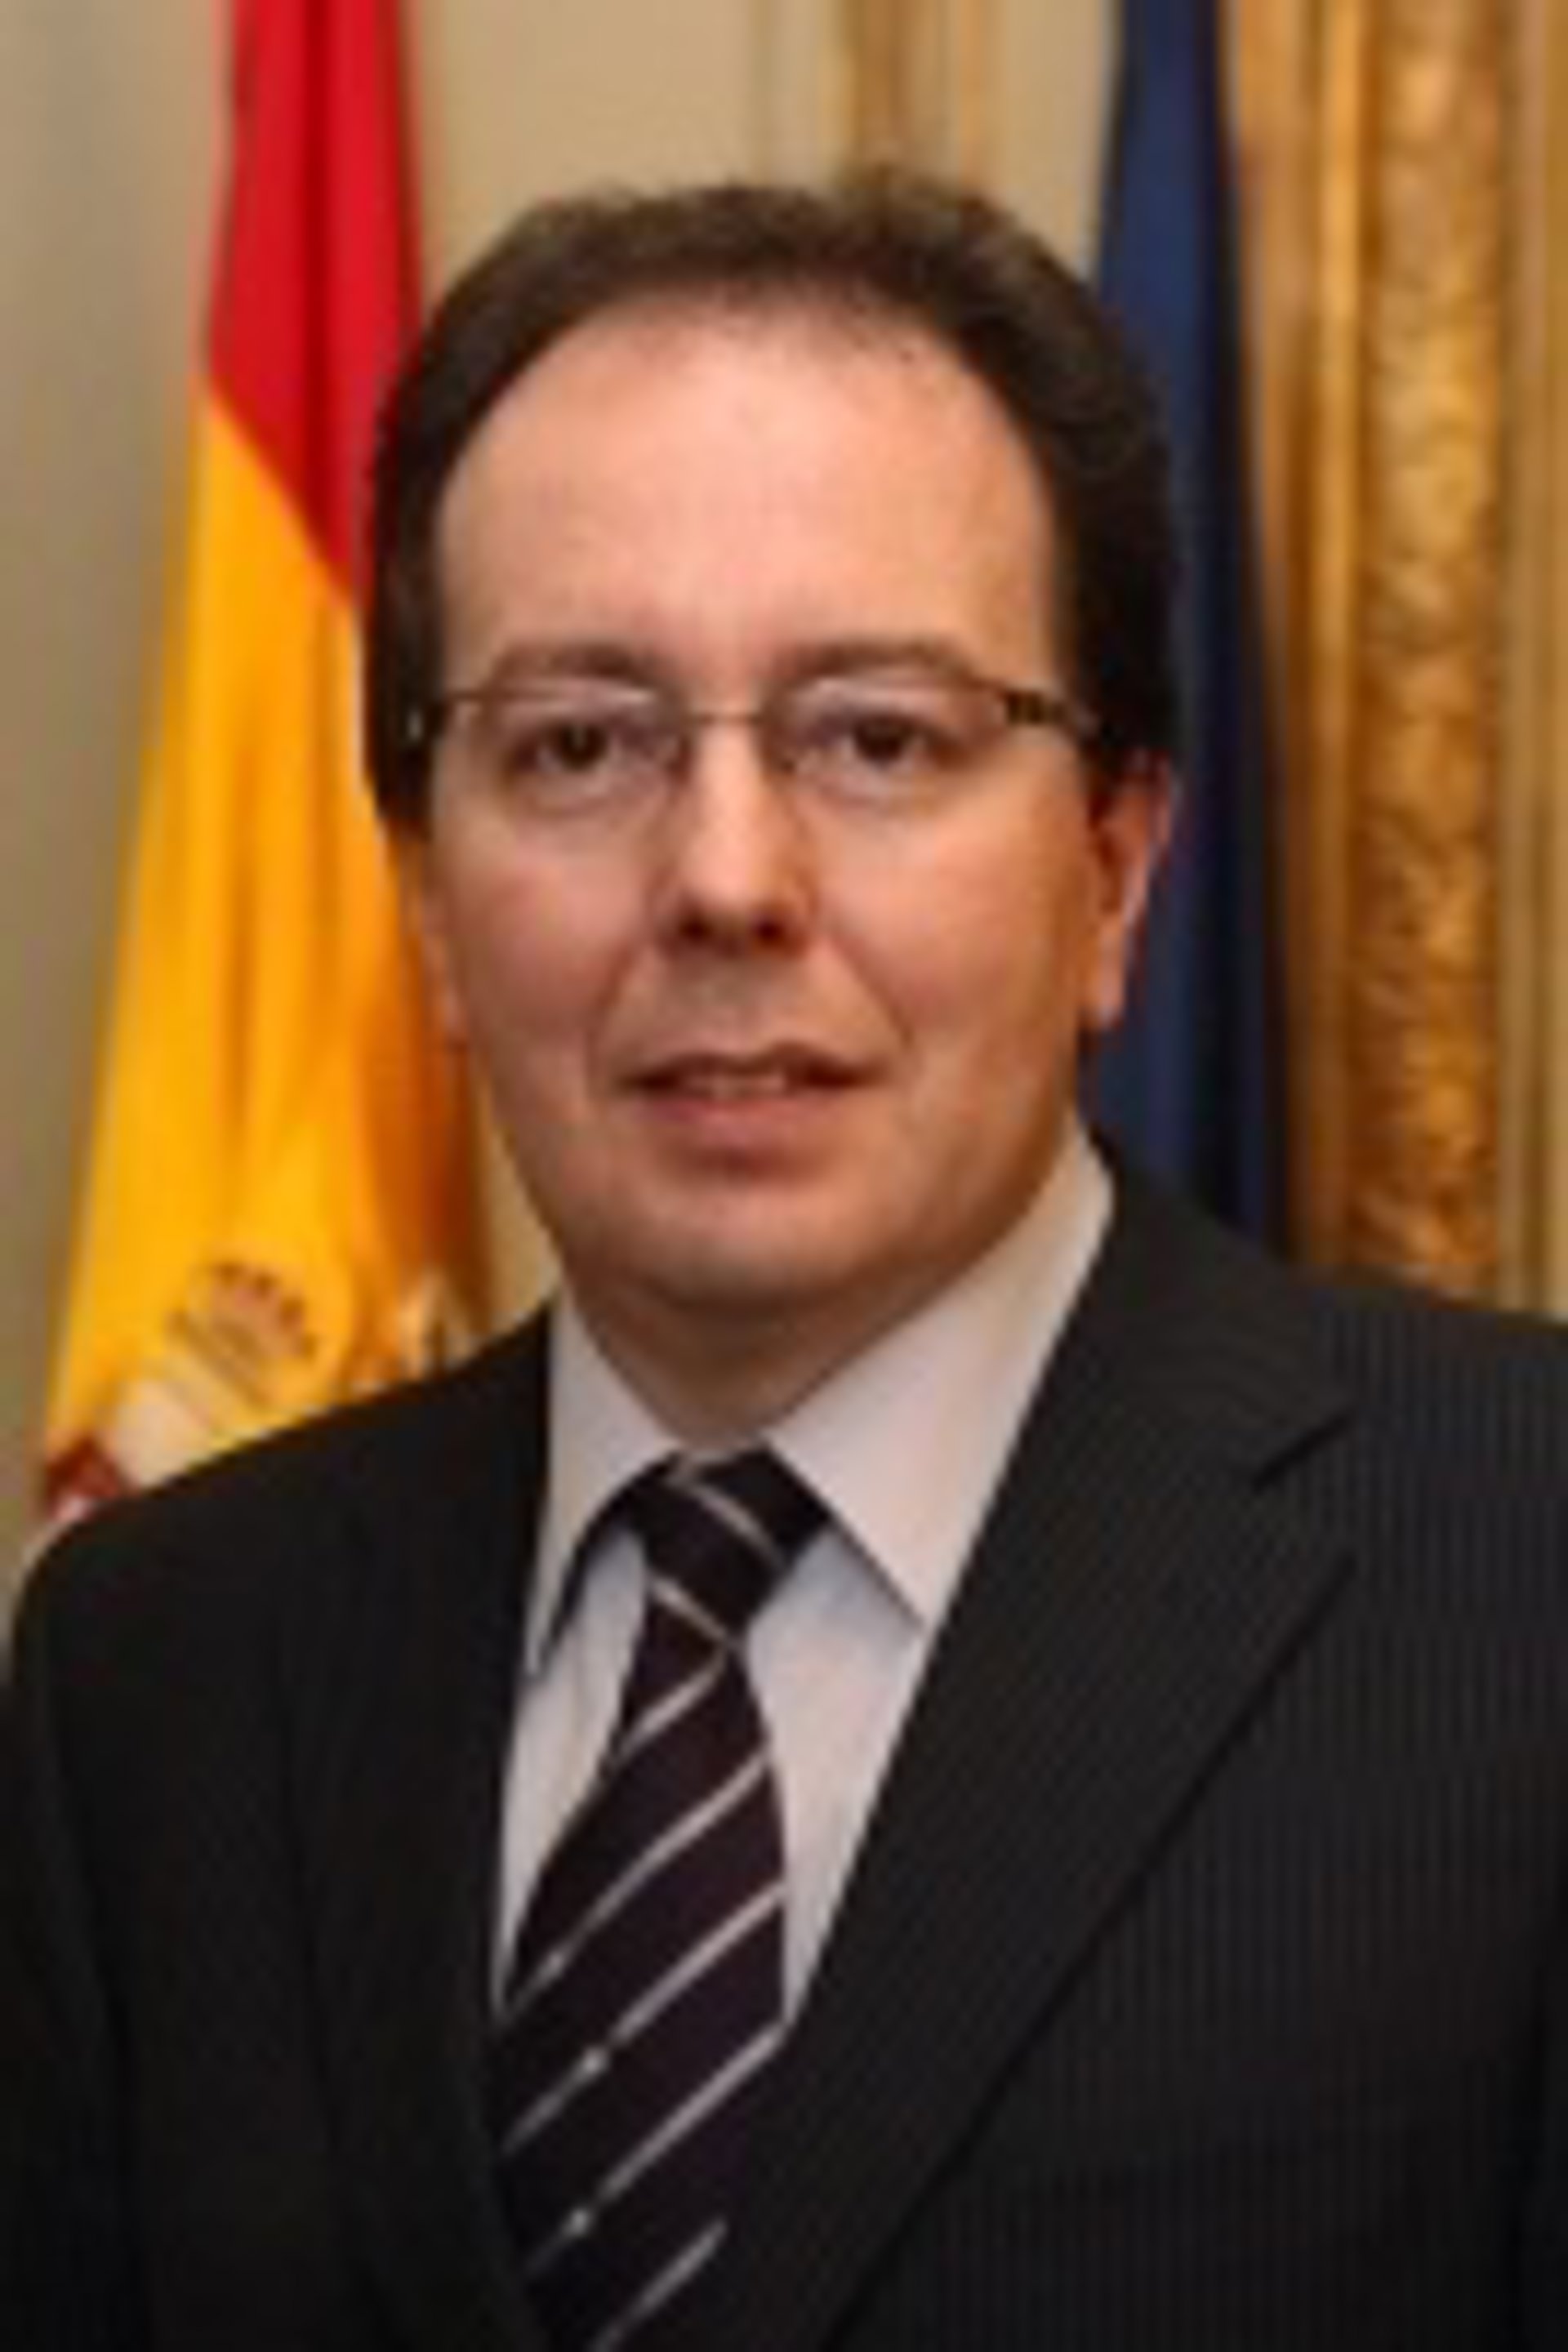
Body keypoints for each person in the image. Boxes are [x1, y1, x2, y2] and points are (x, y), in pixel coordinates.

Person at [5, 171, 1567, 2352]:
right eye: (579, 744)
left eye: (878, 737)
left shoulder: (1524, 1574)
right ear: (431, 901)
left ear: (1117, 865)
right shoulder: (152, 1669)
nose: (727, 878)